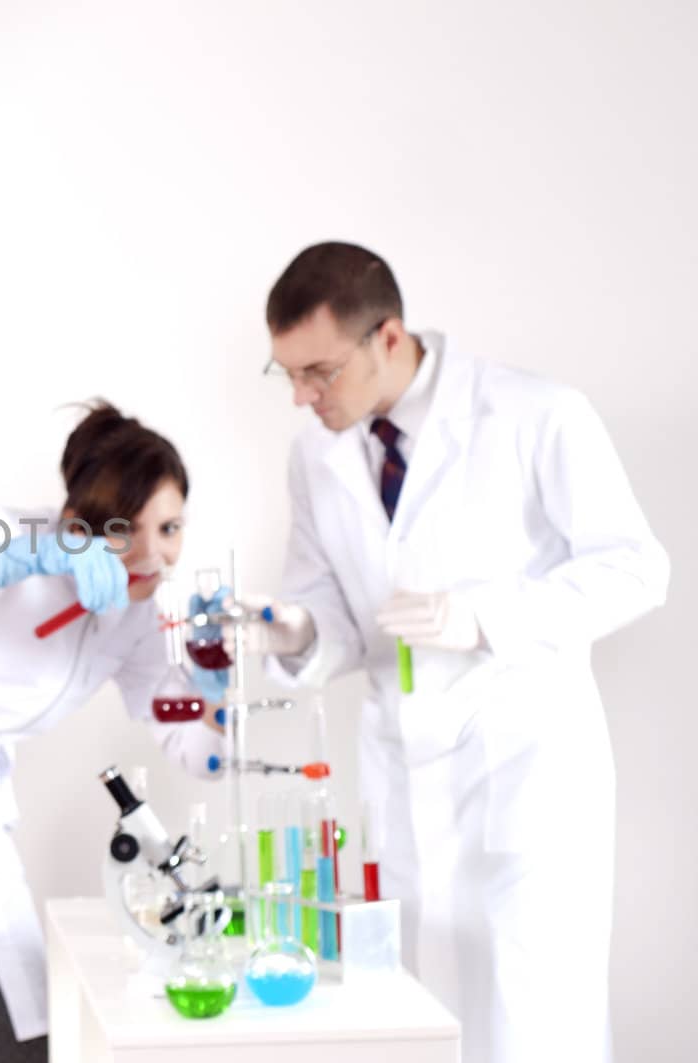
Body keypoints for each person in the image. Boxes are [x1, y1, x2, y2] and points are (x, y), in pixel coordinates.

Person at [249, 242, 668, 1063]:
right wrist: (301, 633)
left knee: (534, 1019)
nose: (302, 397)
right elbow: (330, 602)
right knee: (415, 1014)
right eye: (286, 375)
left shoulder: (533, 413)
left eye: (319, 372)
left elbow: (636, 567)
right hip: (403, 777)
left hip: (524, 772)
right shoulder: (317, 453)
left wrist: (482, 615)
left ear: (390, 337)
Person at [0, 402, 227, 1060]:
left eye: (169, 527)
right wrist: (20, 562)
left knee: (21, 1015)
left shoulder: (137, 618)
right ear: (73, 524)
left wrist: (223, 701)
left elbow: (191, 743)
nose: (154, 555)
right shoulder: (8, 538)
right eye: (126, 531)